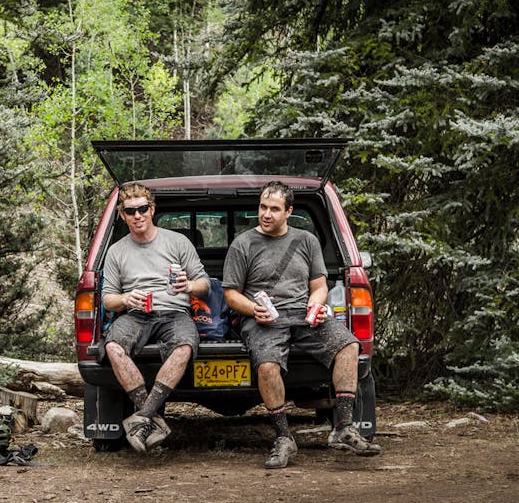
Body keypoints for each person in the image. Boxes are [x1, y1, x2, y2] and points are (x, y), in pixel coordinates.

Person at [222, 180, 381, 469]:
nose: (266, 214)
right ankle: (283, 438)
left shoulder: (306, 240)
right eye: (262, 207)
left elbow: (319, 285)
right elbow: (231, 294)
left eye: (274, 209)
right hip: (264, 319)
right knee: (267, 366)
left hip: (303, 314)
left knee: (348, 345)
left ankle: (344, 427)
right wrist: (253, 309)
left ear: (289, 211)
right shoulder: (242, 244)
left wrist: (317, 304)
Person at [101, 182, 210, 452]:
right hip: (136, 314)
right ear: (123, 215)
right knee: (113, 347)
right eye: (130, 211)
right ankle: (151, 416)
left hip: (174, 313)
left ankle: (144, 417)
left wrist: (189, 286)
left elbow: (205, 284)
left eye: (142, 209)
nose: (137, 215)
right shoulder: (117, 251)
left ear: (152, 209)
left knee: (185, 346)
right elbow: (108, 299)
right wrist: (126, 299)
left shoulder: (177, 242)